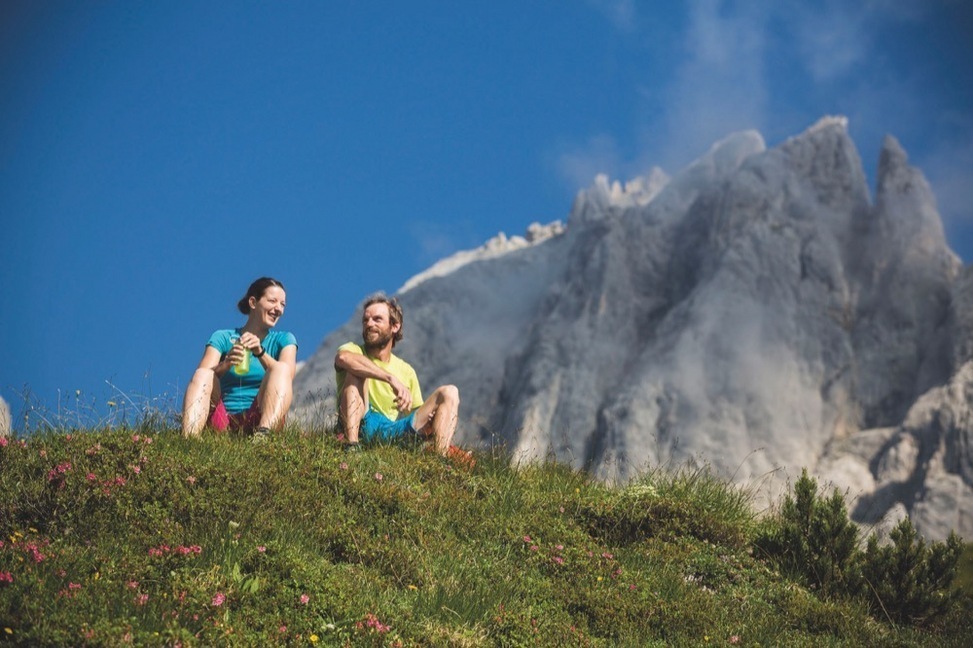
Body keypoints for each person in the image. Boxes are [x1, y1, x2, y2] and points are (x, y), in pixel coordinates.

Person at [334, 294, 472, 465]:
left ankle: (439, 459)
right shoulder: (353, 350)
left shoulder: (406, 371)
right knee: (356, 371)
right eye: (365, 320)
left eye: (377, 319)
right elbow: (343, 359)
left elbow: (418, 416)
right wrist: (390, 379)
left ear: (395, 326)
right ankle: (351, 446)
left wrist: (444, 438)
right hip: (361, 418)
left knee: (449, 392)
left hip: (391, 431)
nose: (369, 324)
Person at [182, 277, 297, 440]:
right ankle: (190, 438)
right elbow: (203, 376)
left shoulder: (284, 339)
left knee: (280, 368)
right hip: (222, 419)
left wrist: (260, 352)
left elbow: (287, 376)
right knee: (203, 374)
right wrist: (226, 363)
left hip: (258, 416)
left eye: (283, 304)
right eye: (272, 301)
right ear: (253, 302)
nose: (278, 309)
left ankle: (263, 436)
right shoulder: (223, 337)